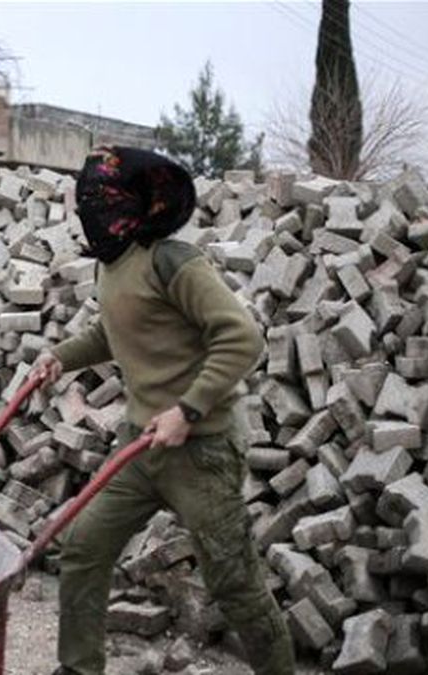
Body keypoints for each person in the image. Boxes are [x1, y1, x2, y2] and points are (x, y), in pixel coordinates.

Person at [33, 147, 295, 675]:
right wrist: (59, 357)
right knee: (83, 547)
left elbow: (242, 338)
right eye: (85, 203)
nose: (90, 215)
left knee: (233, 580)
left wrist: (188, 410)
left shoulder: (170, 259)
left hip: (202, 451)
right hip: (141, 445)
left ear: (124, 204)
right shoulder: (113, 264)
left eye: (98, 203)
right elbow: (117, 330)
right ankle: (79, 667)